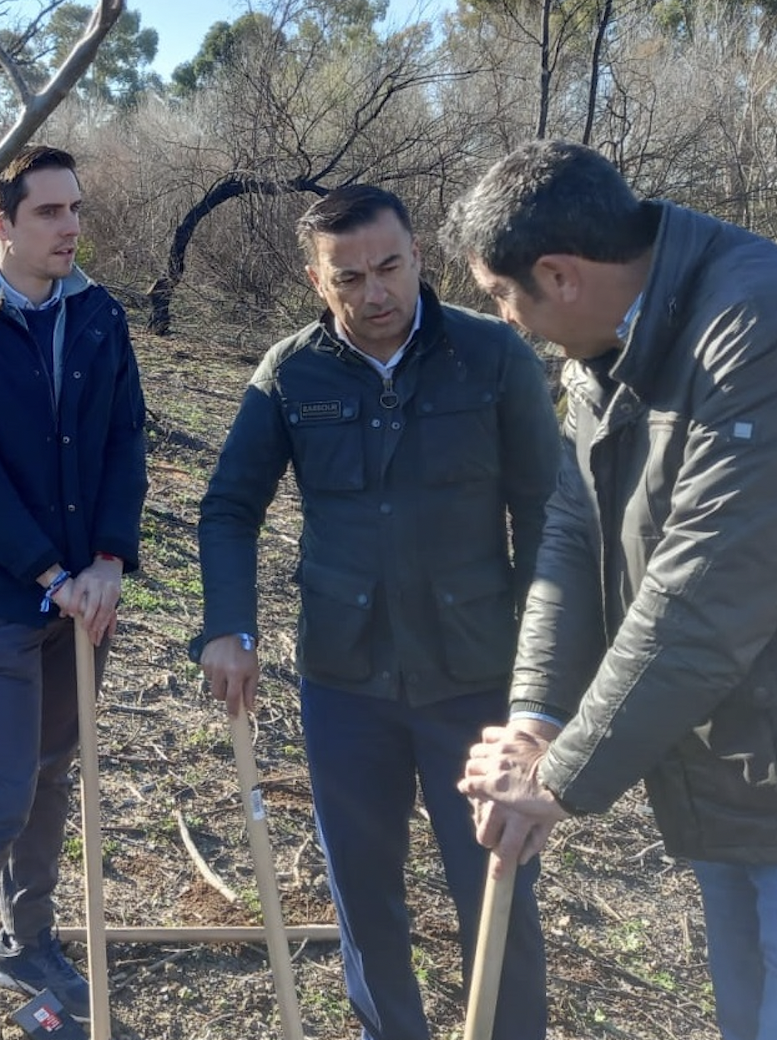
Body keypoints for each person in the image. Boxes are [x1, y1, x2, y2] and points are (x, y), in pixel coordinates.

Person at [447, 140, 777, 1040]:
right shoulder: (611, 348)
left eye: (502, 295)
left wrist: (557, 779)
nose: (509, 319)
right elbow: (570, 536)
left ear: (559, 274)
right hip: (737, 776)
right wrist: (535, 714)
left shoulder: (769, 332)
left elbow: (705, 597)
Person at [195, 185, 558, 1040]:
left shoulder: (492, 357)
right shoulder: (291, 372)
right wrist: (227, 627)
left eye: (388, 267)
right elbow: (229, 505)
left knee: (496, 888)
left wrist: (542, 678)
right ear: (317, 279)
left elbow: (549, 518)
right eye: (348, 277)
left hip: (474, 677)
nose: (374, 293)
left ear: (418, 253)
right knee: (364, 892)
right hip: (344, 679)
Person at [0, 145, 147, 1040]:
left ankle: (26, 942)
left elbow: (126, 443)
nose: (71, 227)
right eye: (49, 212)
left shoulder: (99, 316)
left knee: (50, 778)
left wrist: (109, 563)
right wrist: (50, 572)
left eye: (76, 208)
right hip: (4, 595)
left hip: (89, 593)